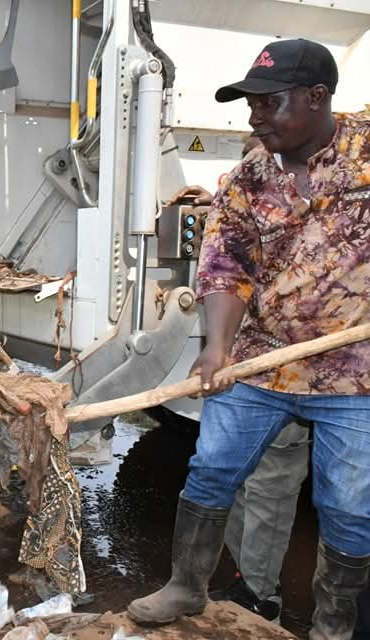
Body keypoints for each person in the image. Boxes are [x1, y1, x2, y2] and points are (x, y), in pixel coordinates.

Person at [127, 39, 370, 640]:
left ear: (317, 98)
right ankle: (187, 586)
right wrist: (216, 348)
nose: (254, 116)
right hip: (262, 361)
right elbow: (225, 268)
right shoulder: (248, 178)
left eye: (268, 102)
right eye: (250, 104)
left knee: (348, 503)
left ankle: (334, 623)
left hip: (355, 370)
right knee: (211, 470)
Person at [168, 136, 311, 625]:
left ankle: (259, 595)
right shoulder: (240, 209)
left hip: (290, 373)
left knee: (271, 485)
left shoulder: (310, 221)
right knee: (227, 479)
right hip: (240, 374)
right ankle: (241, 579)